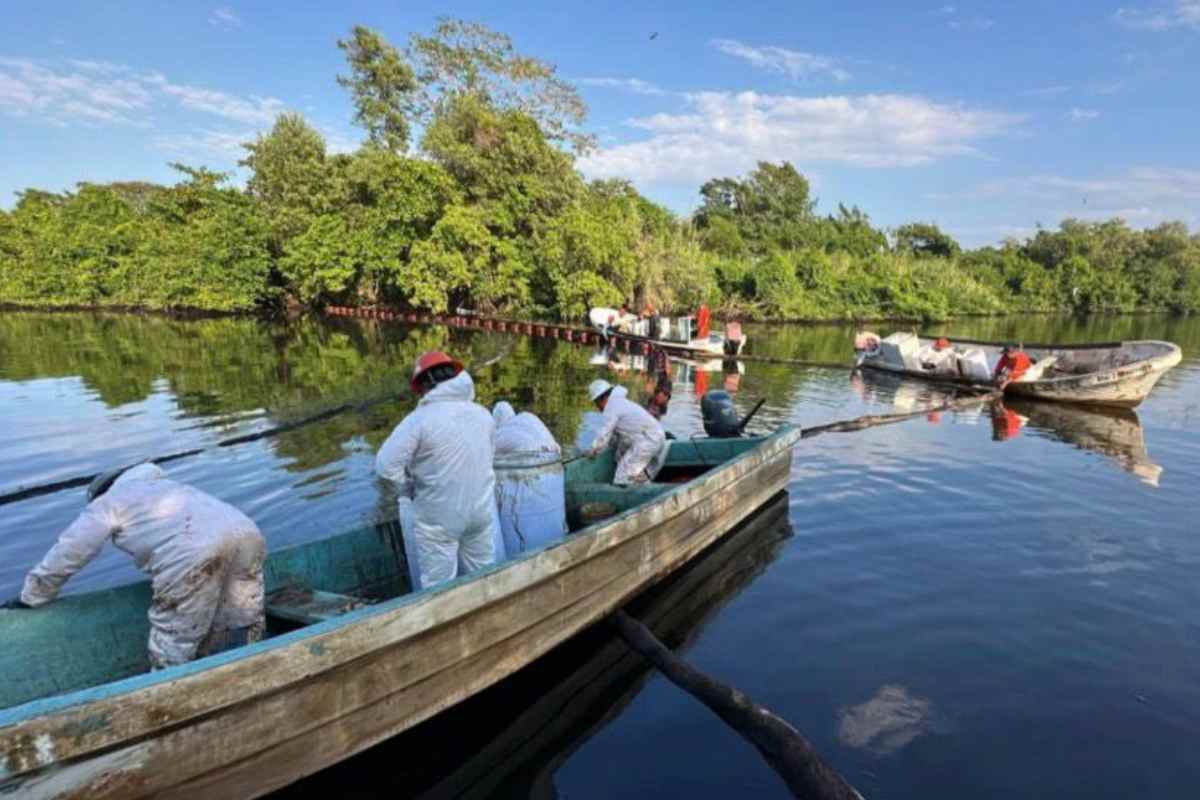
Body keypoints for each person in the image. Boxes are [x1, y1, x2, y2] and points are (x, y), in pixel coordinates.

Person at [3, 463, 266, 670]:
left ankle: (168, 695)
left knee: (175, 637)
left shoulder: (109, 503)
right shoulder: (166, 486)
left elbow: (70, 551)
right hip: (247, 533)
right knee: (241, 616)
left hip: (190, 552)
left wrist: (33, 596)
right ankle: (251, 665)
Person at [376, 351, 500, 591]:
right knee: (483, 574)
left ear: (425, 385)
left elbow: (384, 466)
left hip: (439, 521)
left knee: (439, 587)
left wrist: (406, 486)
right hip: (481, 513)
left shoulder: (419, 420)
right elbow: (488, 457)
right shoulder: (483, 415)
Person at [492, 402, 568, 557]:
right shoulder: (527, 417)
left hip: (528, 470)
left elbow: (487, 457)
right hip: (553, 462)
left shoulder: (500, 434)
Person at [586, 379, 669, 486]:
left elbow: (604, 434)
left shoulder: (611, 407)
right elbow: (617, 435)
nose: (597, 408)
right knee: (635, 474)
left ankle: (621, 499)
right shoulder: (620, 402)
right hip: (656, 436)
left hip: (648, 441)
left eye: (596, 403)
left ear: (601, 399)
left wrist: (593, 450)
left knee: (621, 476)